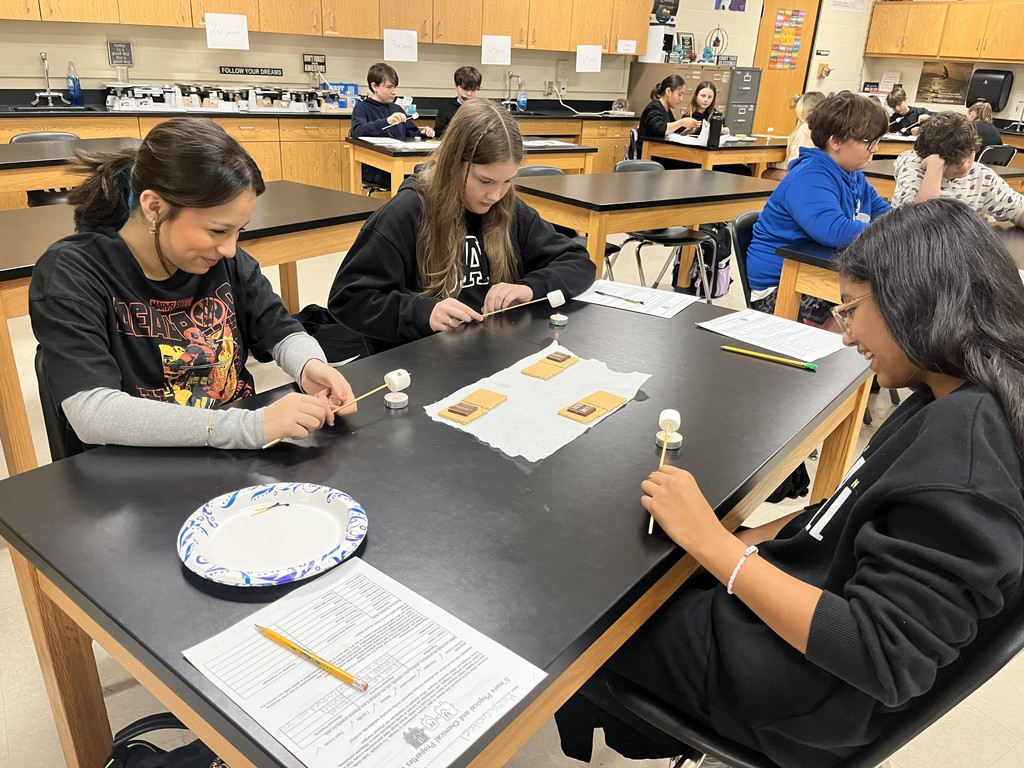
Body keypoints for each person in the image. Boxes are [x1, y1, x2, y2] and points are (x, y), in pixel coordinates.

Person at [555, 198, 1024, 768]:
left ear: (914, 299)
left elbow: (881, 656)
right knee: (644, 571)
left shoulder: (967, 461)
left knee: (577, 611)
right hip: (803, 643)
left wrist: (716, 546)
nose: (846, 333)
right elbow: (846, 508)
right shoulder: (951, 393)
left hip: (801, 691)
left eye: (851, 308)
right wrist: (746, 544)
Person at [29, 117, 357, 451]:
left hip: (237, 460)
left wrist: (311, 367)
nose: (230, 248)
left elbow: (281, 330)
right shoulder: (73, 273)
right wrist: (247, 426)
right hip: (142, 473)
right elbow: (92, 412)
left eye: (238, 231)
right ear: (155, 207)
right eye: (217, 230)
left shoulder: (223, 260)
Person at [328, 98, 595, 354]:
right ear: (453, 164)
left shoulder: (509, 210)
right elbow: (350, 299)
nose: (496, 195)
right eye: (485, 181)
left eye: (507, 181)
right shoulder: (406, 213)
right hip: (425, 362)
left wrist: (530, 287)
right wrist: (423, 312)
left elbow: (578, 263)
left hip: (495, 355)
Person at [745, 91, 891, 325]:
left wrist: (905, 228)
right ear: (835, 141)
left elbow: (887, 217)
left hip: (816, 271)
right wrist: (891, 234)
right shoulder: (810, 177)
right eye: (868, 141)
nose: (875, 149)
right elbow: (834, 230)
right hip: (779, 288)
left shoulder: (854, 177)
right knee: (874, 310)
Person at [892, 110, 1024, 229]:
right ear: (931, 156)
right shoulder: (912, 166)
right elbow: (917, 225)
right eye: (953, 159)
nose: (965, 165)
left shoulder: (982, 176)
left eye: (969, 154)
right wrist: (935, 167)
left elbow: (1018, 209)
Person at [350, 62, 435, 189]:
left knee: (429, 176)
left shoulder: (397, 108)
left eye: (394, 87)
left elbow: (410, 133)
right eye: (389, 87)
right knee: (412, 182)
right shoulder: (362, 108)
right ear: (374, 86)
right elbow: (357, 132)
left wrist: (422, 133)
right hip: (376, 167)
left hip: (399, 162)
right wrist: (386, 122)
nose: (394, 92)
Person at [763, 90, 825, 181]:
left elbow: (793, 163)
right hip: (819, 174)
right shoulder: (826, 128)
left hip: (801, 173)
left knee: (766, 174)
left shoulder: (803, 129)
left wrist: (774, 164)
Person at [637, 75, 701, 158]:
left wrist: (687, 131)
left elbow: (672, 133)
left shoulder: (666, 109)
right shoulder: (654, 107)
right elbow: (660, 129)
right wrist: (682, 122)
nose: (681, 99)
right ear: (668, 91)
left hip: (661, 152)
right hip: (650, 154)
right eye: (679, 94)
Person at [434, 65, 482, 138]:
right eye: (465, 89)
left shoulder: (483, 110)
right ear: (456, 87)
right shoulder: (445, 110)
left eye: (473, 90)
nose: (469, 94)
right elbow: (439, 135)